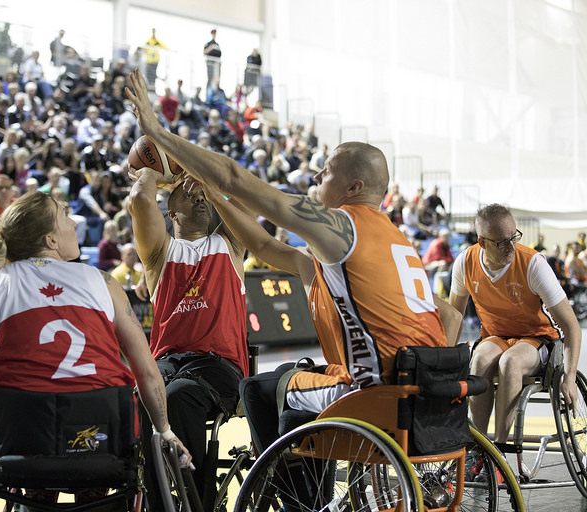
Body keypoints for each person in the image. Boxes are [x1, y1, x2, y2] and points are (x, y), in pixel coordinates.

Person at [125, 68, 453, 457]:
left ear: (353, 188)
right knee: (281, 379)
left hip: (372, 388)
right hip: (422, 389)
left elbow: (234, 179)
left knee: (265, 390)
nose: (316, 174)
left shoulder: (343, 228)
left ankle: (283, 486)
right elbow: (263, 243)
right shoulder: (395, 242)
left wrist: (158, 133)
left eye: (326, 171)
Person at [0, 191, 191, 507]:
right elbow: (145, 369)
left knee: (37, 476)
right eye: (65, 215)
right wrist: (164, 430)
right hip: (101, 432)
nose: (74, 224)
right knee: (99, 473)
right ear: (50, 239)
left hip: (23, 433)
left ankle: (38, 499)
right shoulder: (102, 280)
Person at [127, 165, 248, 504]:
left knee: (178, 395)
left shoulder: (230, 245)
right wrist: (158, 173)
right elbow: (139, 196)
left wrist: (206, 180)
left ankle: (194, 499)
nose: (197, 194)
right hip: (167, 361)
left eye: (201, 192)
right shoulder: (158, 254)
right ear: (171, 211)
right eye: (186, 191)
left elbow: (245, 198)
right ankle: (156, 500)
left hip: (218, 365)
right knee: (140, 393)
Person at [448, 204, 581, 453]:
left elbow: (572, 326)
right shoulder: (465, 263)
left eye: (514, 238)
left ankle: (499, 449)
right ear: (482, 242)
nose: (511, 247)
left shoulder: (533, 264)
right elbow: (454, 317)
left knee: (510, 363)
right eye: (501, 242)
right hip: (496, 336)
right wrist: (442, 363)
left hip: (539, 338)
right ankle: (479, 449)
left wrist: (570, 376)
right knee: (479, 360)